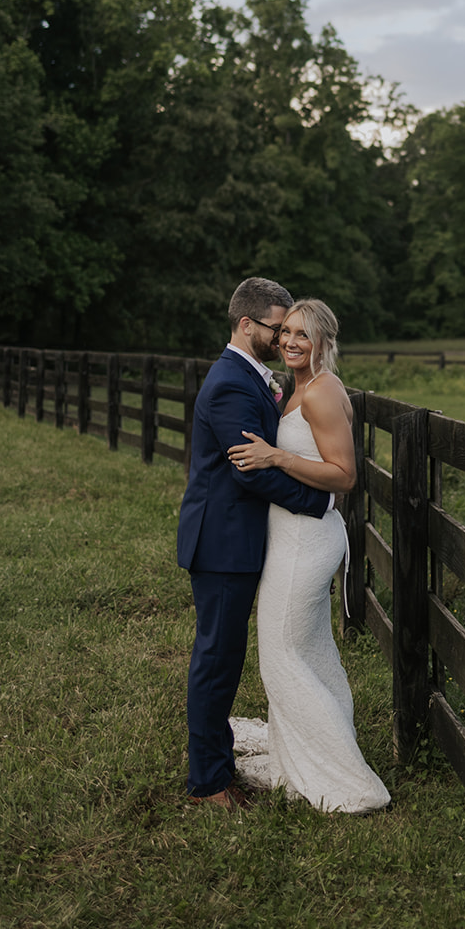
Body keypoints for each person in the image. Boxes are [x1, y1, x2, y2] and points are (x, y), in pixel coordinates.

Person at [227, 298, 390, 814]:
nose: (291, 342)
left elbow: (344, 475)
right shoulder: (302, 388)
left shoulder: (321, 394)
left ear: (324, 340)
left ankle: (344, 778)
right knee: (312, 651)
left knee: (281, 656)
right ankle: (300, 751)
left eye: (303, 335)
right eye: (286, 334)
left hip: (306, 540)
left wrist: (277, 455)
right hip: (294, 535)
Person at [177, 277, 334, 810]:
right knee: (217, 660)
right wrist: (320, 504)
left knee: (226, 657)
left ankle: (216, 765)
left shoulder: (253, 378)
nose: (283, 336)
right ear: (247, 325)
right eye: (277, 326)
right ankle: (209, 784)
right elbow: (250, 471)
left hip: (239, 539)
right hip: (223, 544)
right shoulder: (230, 383)